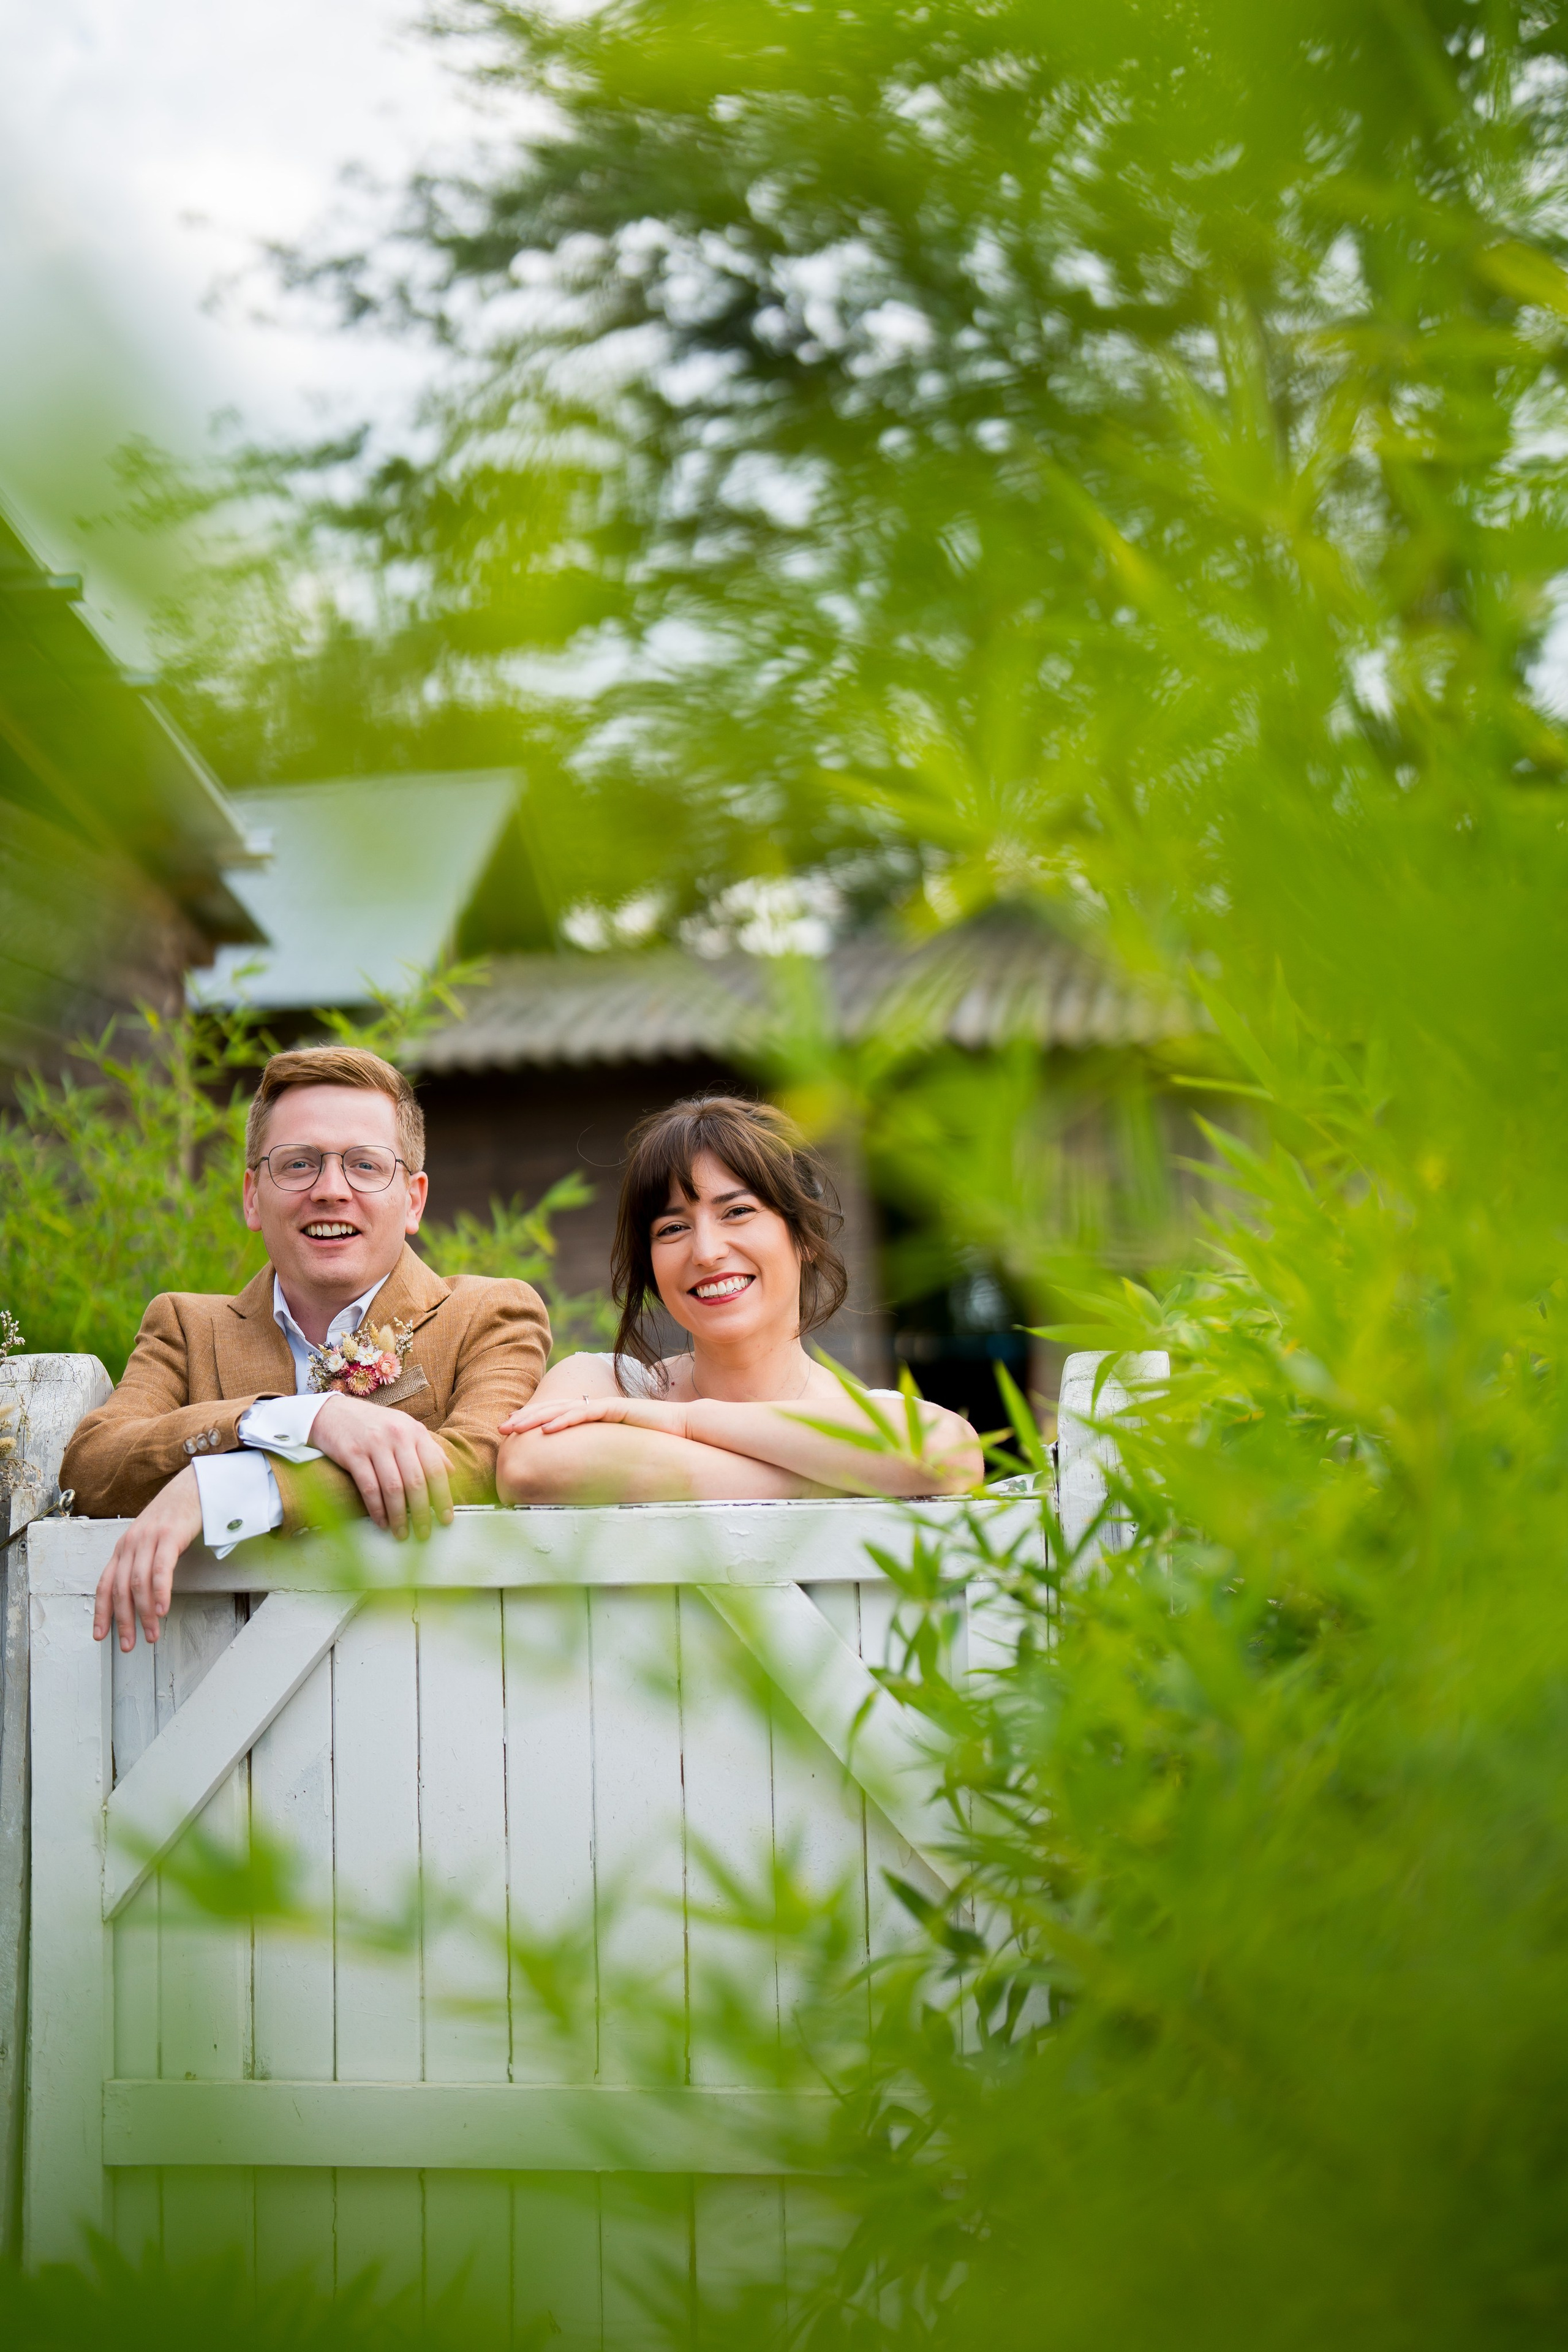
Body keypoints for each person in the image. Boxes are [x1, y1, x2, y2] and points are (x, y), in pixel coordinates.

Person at [65, 1044, 551, 1653]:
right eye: (297, 1165)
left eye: (365, 1166)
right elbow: (91, 1466)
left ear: (414, 1200)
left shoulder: (490, 1315)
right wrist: (295, 1418)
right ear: (251, 1196)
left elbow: (480, 1468)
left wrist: (235, 1486)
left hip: (429, 1687)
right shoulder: (185, 1327)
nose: (329, 1190)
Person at [497, 1095, 982, 1504]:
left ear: (804, 1235)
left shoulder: (862, 1412)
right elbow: (528, 1464)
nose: (707, 1252)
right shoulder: (610, 1385)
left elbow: (949, 1453)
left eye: (738, 1211)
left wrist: (688, 1422)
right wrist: (829, 1481)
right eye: (673, 1228)